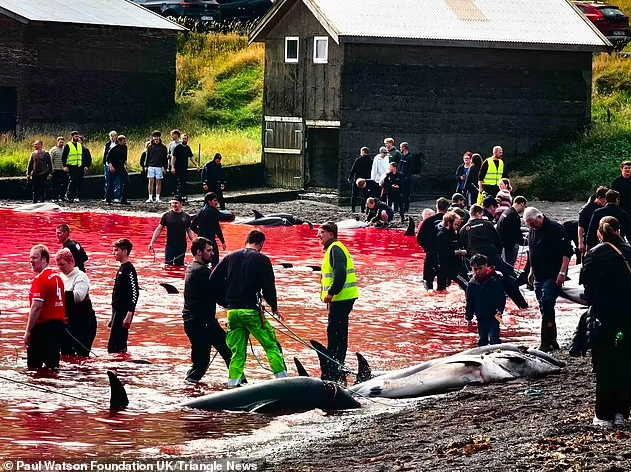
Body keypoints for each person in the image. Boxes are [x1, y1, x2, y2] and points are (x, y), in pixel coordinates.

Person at [209, 230, 287, 387]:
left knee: (237, 351)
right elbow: (268, 287)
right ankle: (283, 380)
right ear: (261, 244)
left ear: (247, 240)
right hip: (251, 311)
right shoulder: (262, 259)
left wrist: (225, 302)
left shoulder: (230, 257)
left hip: (232, 312)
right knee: (270, 344)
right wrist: (274, 307)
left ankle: (233, 383)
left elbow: (212, 280)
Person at [580, 216, 631, 428]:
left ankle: (603, 414)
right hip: (628, 316)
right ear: (619, 231)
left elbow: (587, 289)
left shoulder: (593, 254)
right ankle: (622, 413)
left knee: (604, 364)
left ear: (599, 234)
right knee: (625, 362)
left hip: (604, 316)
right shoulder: (629, 252)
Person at [182, 237, 232, 383]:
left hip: (194, 322)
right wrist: (234, 304)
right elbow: (217, 294)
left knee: (201, 362)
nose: (212, 253)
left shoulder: (192, 268)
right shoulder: (202, 271)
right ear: (199, 252)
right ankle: (239, 385)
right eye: (208, 250)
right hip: (202, 322)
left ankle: (188, 387)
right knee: (228, 353)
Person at [460, 204, 528, 309]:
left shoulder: (463, 229)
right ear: (479, 214)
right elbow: (498, 241)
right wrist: (497, 255)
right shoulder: (487, 224)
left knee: (476, 286)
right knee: (508, 282)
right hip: (492, 256)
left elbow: (466, 249)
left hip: (476, 261)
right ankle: (523, 306)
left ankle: (475, 309)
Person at [524, 207, 573, 352]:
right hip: (538, 274)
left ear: (540, 217)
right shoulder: (532, 230)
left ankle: (545, 342)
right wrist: (531, 270)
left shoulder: (555, 228)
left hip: (553, 274)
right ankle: (552, 340)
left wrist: (563, 272)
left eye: (534, 224)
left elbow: (567, 251)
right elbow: (532, 251)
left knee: (547, 303)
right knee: (544, 308)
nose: (533, 227)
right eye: (529, 225)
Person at [316, 221, 359, 383]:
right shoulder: (334, 248)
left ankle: (334, 366)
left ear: (331, 234)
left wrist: (331, 293)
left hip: (341, 298)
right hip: (343, 298)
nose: (318, 235)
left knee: (335, 333)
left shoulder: (335, 249)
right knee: (339, 332)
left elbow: (340, 275)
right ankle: (337, 364)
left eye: (321, 232)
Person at [25, 244, 66, 369]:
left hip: (43, 327)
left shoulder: (40, 279)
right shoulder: (57, 277)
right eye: (30, 258)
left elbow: (36, 307)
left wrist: (28, 331)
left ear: (44, 259)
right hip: (58, 327)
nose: (31, 261)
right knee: (52, 365)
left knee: (34, 367)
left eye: (35, 258)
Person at [55, 248, 96, 357]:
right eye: (58, 265)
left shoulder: (81, 276)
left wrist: (59, 294)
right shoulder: (61, 277)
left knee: (82, 355)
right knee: (66, 353)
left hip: (84, 323)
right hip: (68, 322)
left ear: (71, 262)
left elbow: (79, 296)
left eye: (62, 265)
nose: (60, 268)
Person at [465, 254, 506, 346]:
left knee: (494, 340)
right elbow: (470, 302)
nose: (478, 271)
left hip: (494, 315)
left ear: (486, 265)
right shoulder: (472, 283)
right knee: (482, 340)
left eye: (480, 268)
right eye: (475, 269)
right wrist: (469, 318)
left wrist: (500, 310)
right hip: (481, 317)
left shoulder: (495, 279)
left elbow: (501, 297)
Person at [108, 238, 139, 354]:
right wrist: (112, 316)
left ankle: (121, 369)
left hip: (124, 312)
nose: (113, 253)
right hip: (117, 311)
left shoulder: (129, 269)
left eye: (116, 250)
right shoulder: (121, 268)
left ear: (125, 252)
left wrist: (130, 314)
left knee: (118, 345)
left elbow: (135, 293)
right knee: (113, 345)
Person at [149, 195, 195, 267]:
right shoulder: (166, 215)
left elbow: (189, 230)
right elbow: (159, 229)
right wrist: (152, 242)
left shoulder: (186, 216)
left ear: (181, 204)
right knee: (168, 265)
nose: (174, 205)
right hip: (170, 245)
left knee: (179, 265)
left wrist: (194, 241)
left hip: (182, 246)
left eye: (176, 203)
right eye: (172, 203)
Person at [417, 197, 450, 291]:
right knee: (443, 286)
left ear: (436, 207)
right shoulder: (450, 221)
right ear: (447, 208)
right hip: (444, 256)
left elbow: (419, 238)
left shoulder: (428, 221)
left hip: (430, 254)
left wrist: (427, 248)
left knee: (428, 282)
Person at [191, 192, 227, 267]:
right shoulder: (213, 211)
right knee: (215, 262)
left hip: (200, 240)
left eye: (217, 201)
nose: (217, 203)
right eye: (215, 201)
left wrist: (199, 233)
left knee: (201, 262)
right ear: (209, 201)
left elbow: (192, 226)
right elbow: (217, 228)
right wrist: (222, 241)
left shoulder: (199, 211)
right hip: (210, 240)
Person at [436, 212, 469, 291]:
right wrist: (459, 252)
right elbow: (444, 254)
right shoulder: (442, 235)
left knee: (467, 284)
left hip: (455, 265)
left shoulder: (453, 233)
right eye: (455, 224)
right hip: (449, 267)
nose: (457, 227)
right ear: (448, 223)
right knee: (468, 285)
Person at [496, 196, 527, 267]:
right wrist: (525, 242)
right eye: (524, 206)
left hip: (501, 243)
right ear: (521, 204)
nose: (523, 209)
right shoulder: (513, 215)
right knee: (509, 265)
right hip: (507, 245)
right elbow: (516, 233)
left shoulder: (507, 211)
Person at [578, 186, 608, 257]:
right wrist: (580, 242)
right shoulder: (586, 209)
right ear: (599, 198)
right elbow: (580, 226)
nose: (606, 202)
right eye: (604, 200)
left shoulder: (604, 207)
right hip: (589, 238)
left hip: (601, 237)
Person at [171, 133, 199, 201]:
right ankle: (177, 196)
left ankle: (184, 196)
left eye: (185, 138)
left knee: (184, 182)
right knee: (178, 182)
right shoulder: (177, 147)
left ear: (187, 139)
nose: (184, 140)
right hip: (178, 168)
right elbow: (173, 157)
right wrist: (172, 167)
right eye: (183, 138)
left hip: (184, 168)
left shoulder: (187, 148)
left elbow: (191, 157)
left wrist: (196, 165)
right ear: (181, 139)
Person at [62, 131, 88, 202]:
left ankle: (74, 197)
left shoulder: (80, 145)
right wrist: (65, 166)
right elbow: (64, 156)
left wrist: (85, 165)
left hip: (79, 166)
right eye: (75, 136)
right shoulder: (68, 145)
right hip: (71, 166)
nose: (77, 138)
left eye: (78, 136)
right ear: (72, 136)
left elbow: (83, 156)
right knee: (72, 181)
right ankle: (69, 196)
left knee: (77, 181)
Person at [105, 135, 130, 205]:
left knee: (127, 182)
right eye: (123, 141)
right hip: (114, 167)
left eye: (125, 141)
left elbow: (124, 157)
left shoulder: (125, 147)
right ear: (119, 141)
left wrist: (126, 165)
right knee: (111, 184)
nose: (125, 142)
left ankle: (123, 199)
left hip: (121, 167)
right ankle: (108, 199)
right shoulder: (114, 149)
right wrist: (111, 166)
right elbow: (108, 158)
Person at [144, 131, 168, 203]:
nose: (156, 139)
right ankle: (150, 197)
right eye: (155, 137)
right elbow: (147, 157)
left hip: (159, 166)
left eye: (157, 137)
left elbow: (165, 158)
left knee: (158, 182)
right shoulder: (150, 146)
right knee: (150, 181)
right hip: (151, 166)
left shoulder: (163, 147)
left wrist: (164, 167)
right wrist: (146, 165)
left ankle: (157, 197)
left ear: (159, 137)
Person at [347, 147, 372, 213]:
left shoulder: (358, 160)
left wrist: (350, 177)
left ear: (363, 152)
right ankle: (362, 209)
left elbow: (353, 169)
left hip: (357, 179)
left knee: (354, 194)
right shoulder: (370, 160)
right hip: (366, 180)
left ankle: (353, 208)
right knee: (364, 195)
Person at [103, 131, 121, 202]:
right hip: (108, 165)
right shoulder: (107, 144)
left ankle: (117, 196)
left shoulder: (118, 144)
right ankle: (107, 196)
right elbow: (105, 154)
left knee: (117, 181)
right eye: (111, 136)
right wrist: (105, 162)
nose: (112, 138)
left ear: (116, 136)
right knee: (107, 181)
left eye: (113, 136)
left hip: (116, 165)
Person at [49, 136, 67, 202]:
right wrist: (51, 169)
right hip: (56, 169)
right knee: (55, 184)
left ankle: (62, 196)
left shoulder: (65, 149)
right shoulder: (53, 150)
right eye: (60, 142)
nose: (61, 143)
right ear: (57, 142)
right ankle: (54, 197)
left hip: (63, 169)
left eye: (62, 142)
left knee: (65, 183)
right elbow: (50, 160)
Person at [399, 142, 414, 214]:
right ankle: (401, 208)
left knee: (406, 194)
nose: (400, 149)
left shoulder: (410, 157)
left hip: (407, 179)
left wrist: (406, 177)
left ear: (404, 147)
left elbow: (410, 169)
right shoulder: (402, 156)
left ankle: (406, 209)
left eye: (401, 147)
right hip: (401, 178)